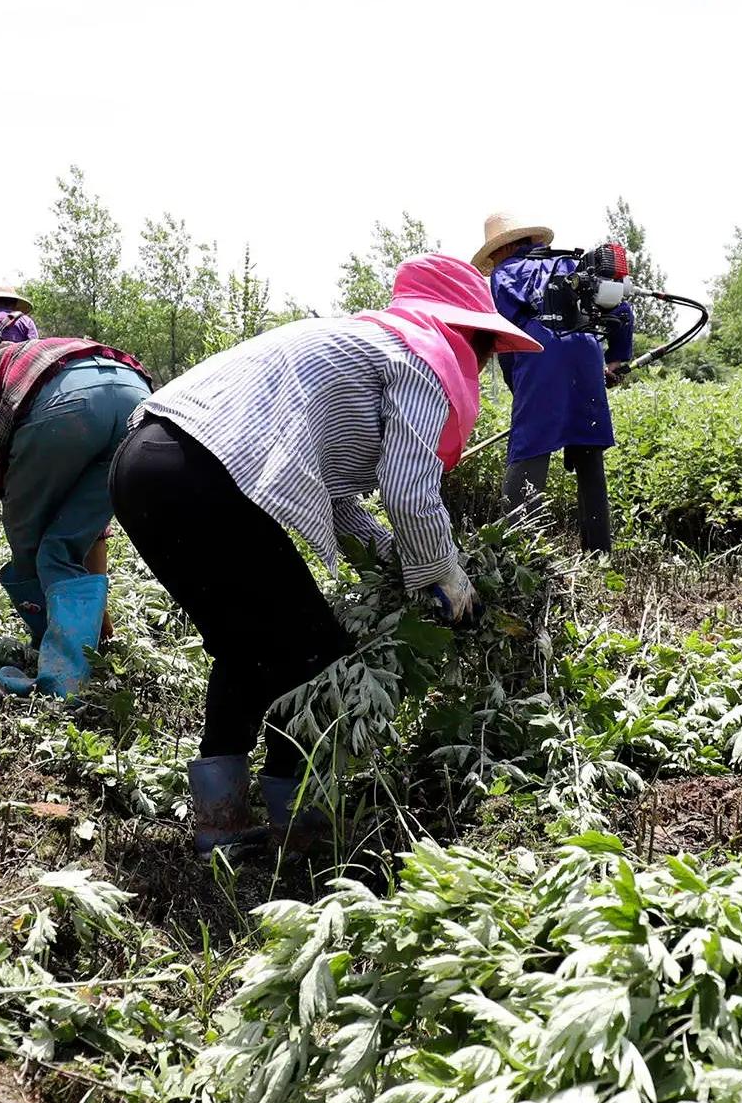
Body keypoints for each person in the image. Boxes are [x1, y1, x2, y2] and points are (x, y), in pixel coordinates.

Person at [111, 253, 540, 855]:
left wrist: (393, 554)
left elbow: (338, 501)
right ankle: (300, 817)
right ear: (468, 334)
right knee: (318, 653)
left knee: (248, 645)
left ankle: (221, 822)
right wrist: (445, 577)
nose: (487, 361)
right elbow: (410, 491)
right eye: (487, 346)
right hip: (201, 471)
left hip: (145, 464)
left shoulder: (358, 346)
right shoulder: (419, 359)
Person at [0, 331, 151, 697]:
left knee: (29, 546)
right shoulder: (18, 368)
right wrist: (98, 615)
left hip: (67, 406)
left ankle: (59, 679)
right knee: (66, 542)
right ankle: (83, 641)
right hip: (137, 395)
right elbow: (93, 528)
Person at [476, 211, 633, 552]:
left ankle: (520, 552)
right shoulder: (571, 264)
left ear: (502, 248)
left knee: (530, 448)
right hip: (587, 350)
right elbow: (622, 310)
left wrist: (522, 396)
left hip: (539, 353)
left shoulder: (505, 274)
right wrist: (616, 360)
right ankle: (599, 553)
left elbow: (507, 338)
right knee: (589, 455)